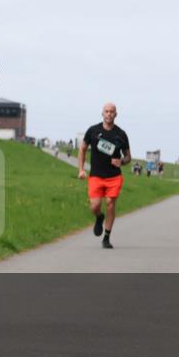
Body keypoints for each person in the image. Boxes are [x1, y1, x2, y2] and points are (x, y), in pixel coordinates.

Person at [78, 102, 131, 249]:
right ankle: (99, 217)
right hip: (96, 175)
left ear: (116, 114)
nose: (109, 114)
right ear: (102, 113)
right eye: (106, 111)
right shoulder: (93, 131)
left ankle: (106, 237)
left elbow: (128, 157)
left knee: (110, 203)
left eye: (111, 112)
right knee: (95, 206)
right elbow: (82, 149)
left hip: (114, 177)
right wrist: (81, 169)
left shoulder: (121, 134)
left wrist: (121, 161)